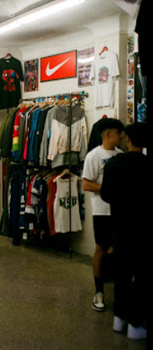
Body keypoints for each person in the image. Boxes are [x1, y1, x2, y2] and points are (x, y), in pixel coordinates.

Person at [101, 123, 148, 340]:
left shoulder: (114, 164)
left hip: (119, 227)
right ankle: (136, 325)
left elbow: (105, 195)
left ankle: (119, 318)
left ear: (127, 140)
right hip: (143, 230)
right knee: (141, 277)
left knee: (121, 274)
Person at [82, 117, 125, 311]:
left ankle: (119, 291)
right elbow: (86, 183)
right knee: (100, 248)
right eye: (119, 133)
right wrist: (108, 189)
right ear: (108, 134)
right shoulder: (94, 155)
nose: (122, 136)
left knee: (119, 249)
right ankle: (98, 292)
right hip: (101, 211)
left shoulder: (121, 154)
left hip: (120, 210)